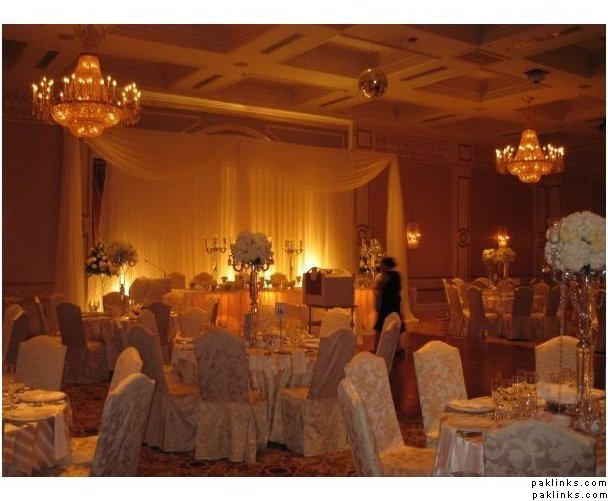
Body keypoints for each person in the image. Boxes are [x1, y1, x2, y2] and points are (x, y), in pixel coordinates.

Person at [373, 256, 403, 353]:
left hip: (387, 304)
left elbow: (379, 288)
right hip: (394, 303)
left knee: (380, 326)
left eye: (382, 265)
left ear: (386, 265)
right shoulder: (397, 275)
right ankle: (397, 348)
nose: (381, 267)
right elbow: (399, 288)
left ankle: (377, 348)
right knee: (395, 326)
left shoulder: (385, 276)